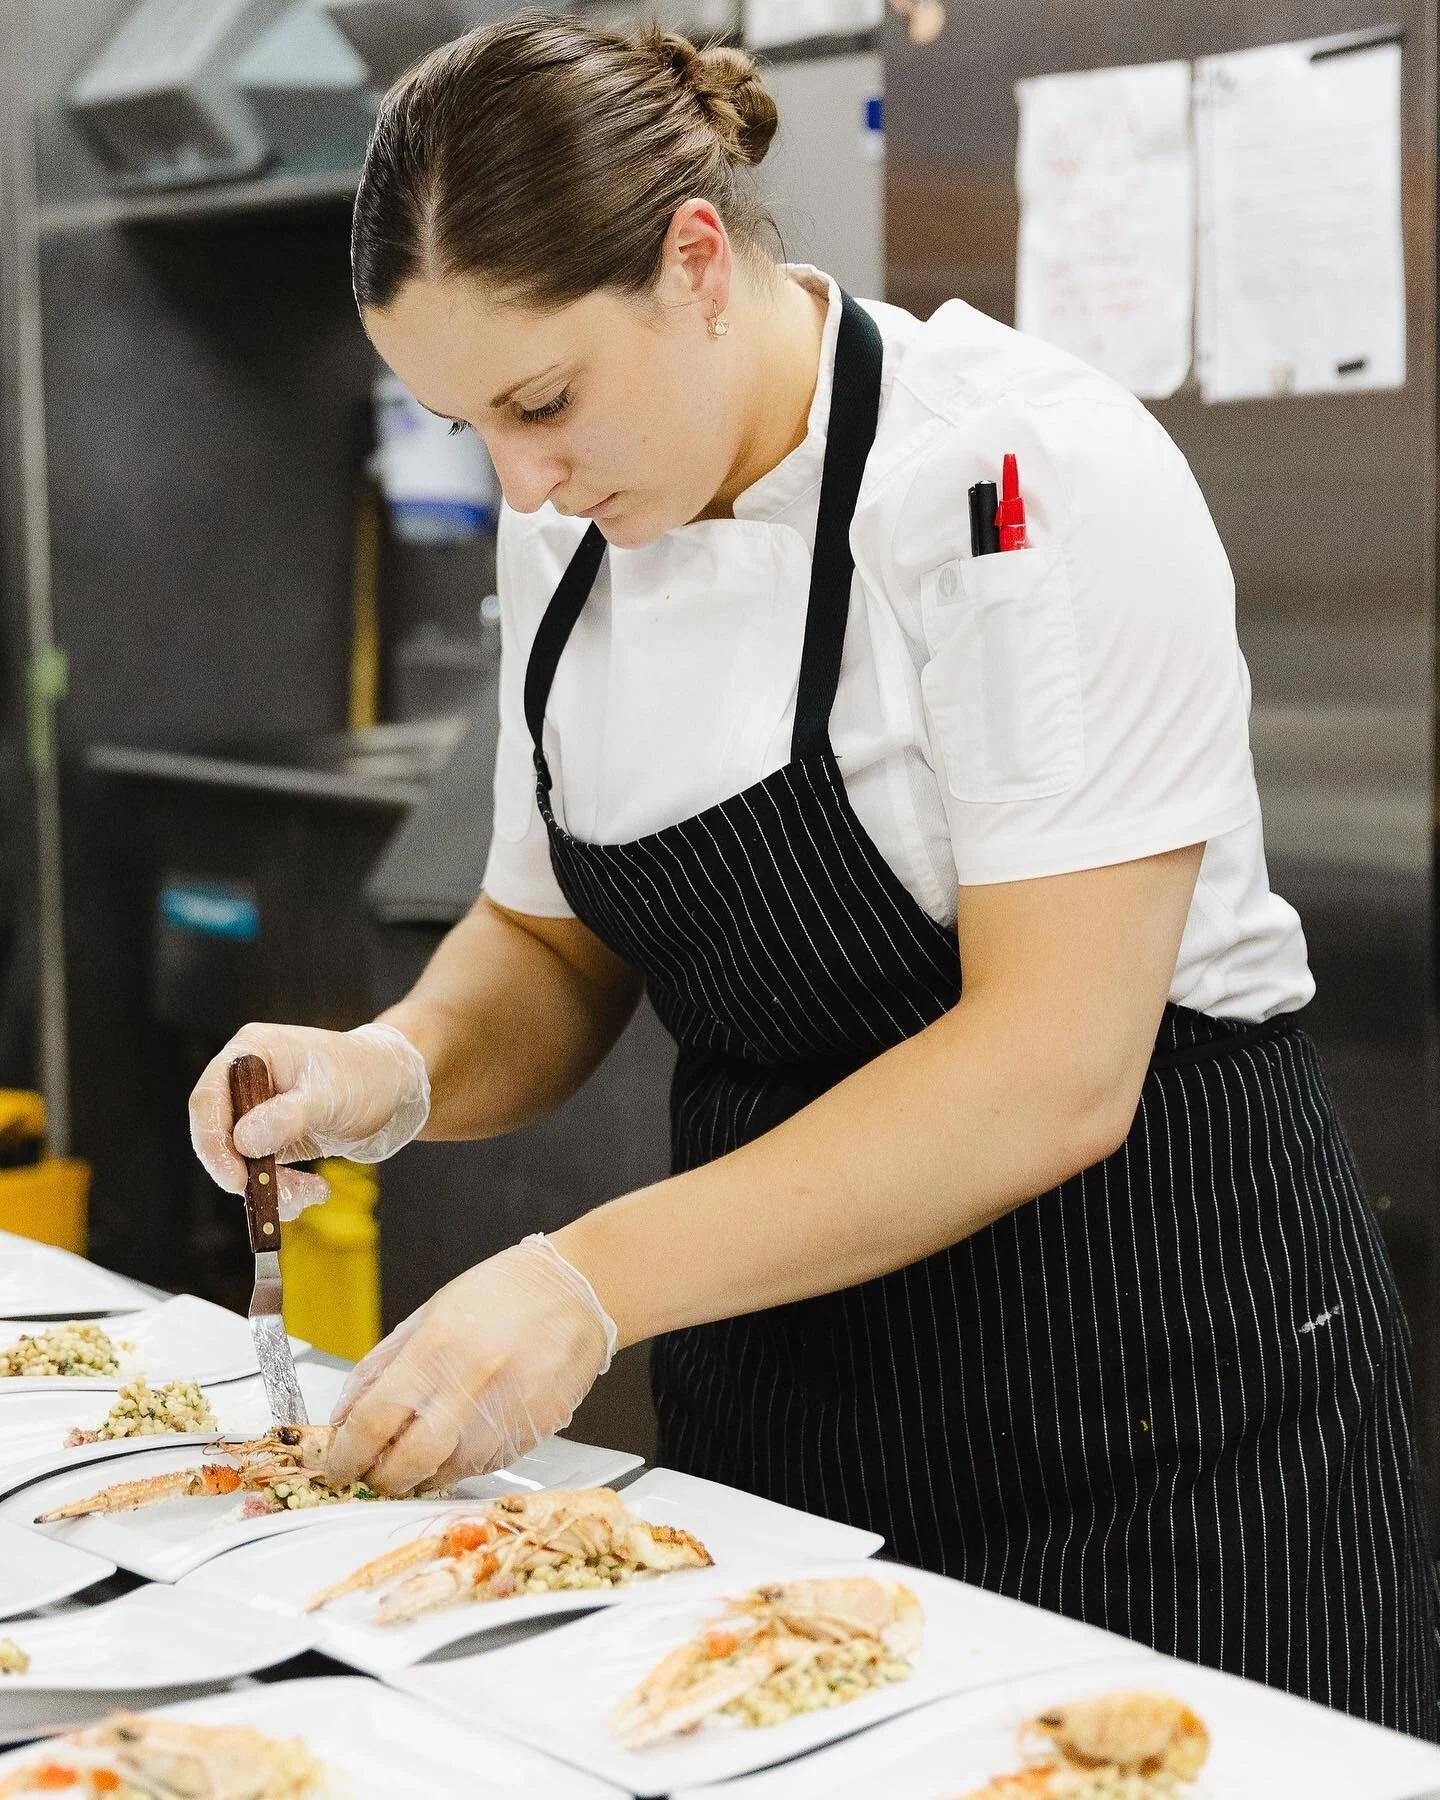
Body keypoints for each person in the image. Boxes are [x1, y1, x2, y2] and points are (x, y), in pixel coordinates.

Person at [189, 14, 1440, 1736]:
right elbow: (548, 950)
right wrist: (384, 1070)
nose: (519, 475)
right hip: (790, 1403)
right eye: (464, 421)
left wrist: (583, 1281)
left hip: (1147, 1409)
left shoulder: (1015, 483)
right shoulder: (575, 520)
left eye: (542, 401)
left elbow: (1052, 1071)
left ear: (697, 261)